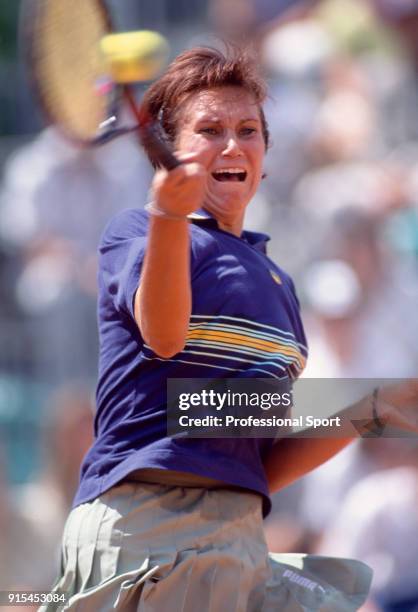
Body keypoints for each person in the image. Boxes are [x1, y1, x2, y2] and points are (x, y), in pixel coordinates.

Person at [40, 46, 418, 612]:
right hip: (151, 532)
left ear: (265, 157)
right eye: (209, 129)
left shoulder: (280, 284)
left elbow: (250, 457)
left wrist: (367, 410)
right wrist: (169, 217)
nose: (232, 144)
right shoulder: (138, 231)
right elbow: (164, 336)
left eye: (248, 130)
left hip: (236, 536)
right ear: (167, 151)